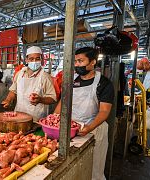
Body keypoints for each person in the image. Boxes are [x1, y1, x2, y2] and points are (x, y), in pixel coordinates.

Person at [54, 47, 114, 180]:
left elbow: (104, 111)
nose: (76, 65)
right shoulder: (72, 81)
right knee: (71, 167)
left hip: (94, 130)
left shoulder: (104, 83)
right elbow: (63, 102)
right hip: (72, 129)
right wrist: (54, 119)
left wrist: (89, 127)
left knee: (93, 167)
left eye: (80, 61)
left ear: (92, 62)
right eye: (75, 61)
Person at [1, 46, 56, 122]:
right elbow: (13, 91)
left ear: (41, 59)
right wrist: (8, 100)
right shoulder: (20, 74)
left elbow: (52, 99)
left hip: (36, 119)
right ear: (26, 60)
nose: (34, 61)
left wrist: (40, 99)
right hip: (18, 115)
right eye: (31, 59)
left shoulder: (45, 77)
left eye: (37, 59)